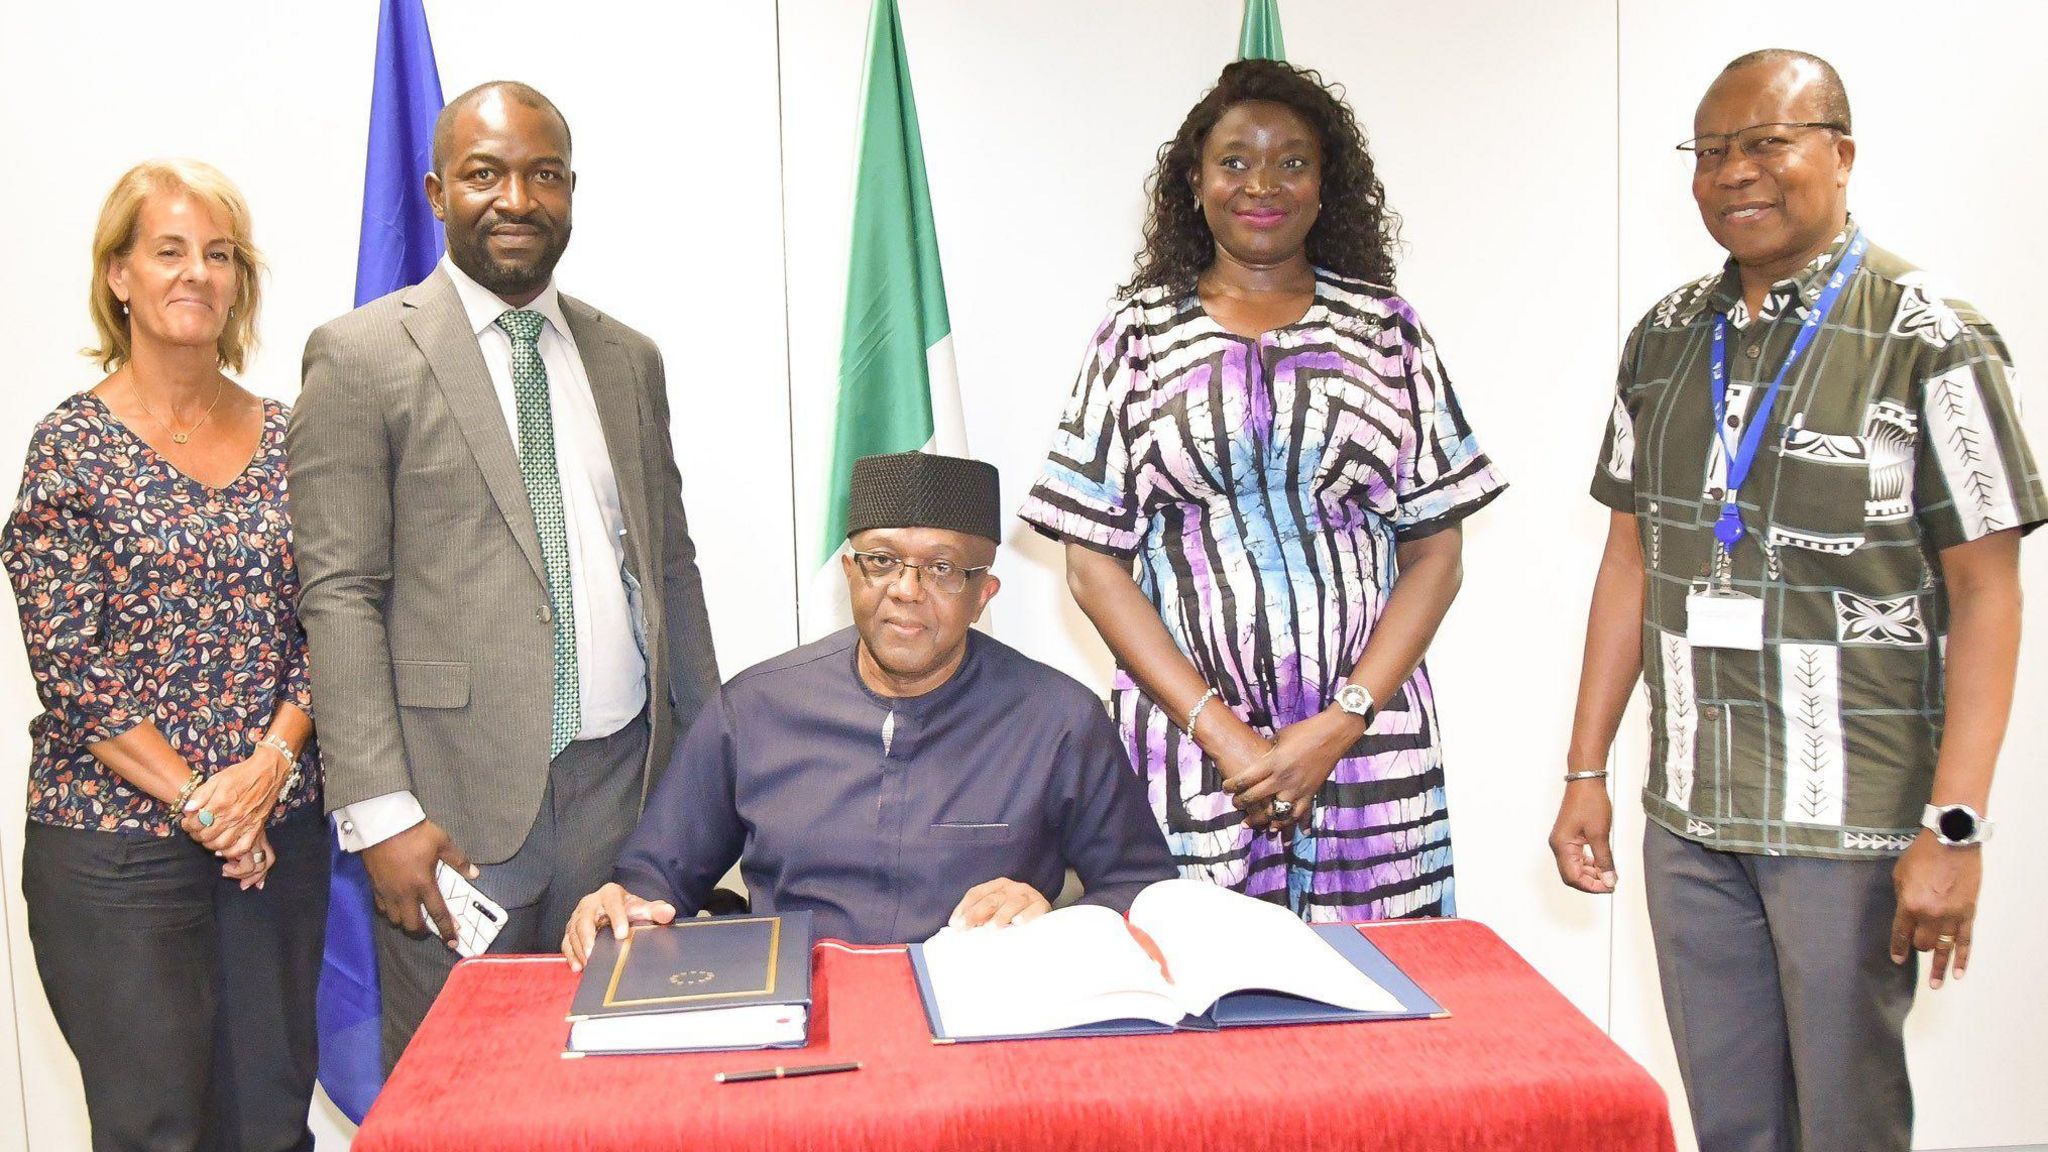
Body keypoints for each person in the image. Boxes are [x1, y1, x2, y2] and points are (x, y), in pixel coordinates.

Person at [1548, 49, 2043, 1152]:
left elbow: (1987, 596)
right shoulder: (1663, 341)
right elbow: (1628, 560)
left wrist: (1952, 826)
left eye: (1765, 144)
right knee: (1729, 1125)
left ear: (1839, 153)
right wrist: (1585, 769)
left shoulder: (1931, 341)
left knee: (1845, 1127)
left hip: (1849, 825)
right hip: (1688, 814)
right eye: (1711, 152)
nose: (1735, 174)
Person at [289, 80, 719, 1067]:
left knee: (622, 1093)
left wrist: (707, 770)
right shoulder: (359, 359)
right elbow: (338, 594)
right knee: (458, 1095)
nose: (515, 198)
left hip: (626, 797)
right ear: (439, 191)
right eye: (485, 174)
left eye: (543, 174)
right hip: (450, 816)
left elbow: (672, 566)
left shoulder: (628, 359)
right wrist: (381, 813)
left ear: (570, 191)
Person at [1019, 59, 1505, 922]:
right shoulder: (1135, 338)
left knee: (1377, 1005)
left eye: (1292, 162)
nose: (1261, 184)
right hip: (1188, 750)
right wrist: (1221, 731)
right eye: (1235, 161)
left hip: (1366, 749)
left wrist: (1340, 721)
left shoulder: (1388, 332)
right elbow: (1093, 564)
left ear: (1328, 187)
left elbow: (1437, 552)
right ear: (1194, 184)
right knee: (1195, 1002)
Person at [3, 159, 325, 1151]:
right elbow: (71, 668)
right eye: (169, 250)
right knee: (157, 1133)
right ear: (119, 276)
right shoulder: (70, 447)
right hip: (112, 852)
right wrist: (205, 805)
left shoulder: (295, 436)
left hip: (278, 837)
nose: (196, 273)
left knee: (271, 1126)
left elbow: (337, 617)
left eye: (218, 254)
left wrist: (266, 771)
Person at [561, 452, 1174, 962]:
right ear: (850, 572)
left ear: (982, 595)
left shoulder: (1059, 720)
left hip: (984, 1027)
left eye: (941, 568)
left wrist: (1051, 917)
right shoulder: (753, 712)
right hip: (801, 1022)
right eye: (881, 561)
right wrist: (618, 904)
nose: (906, 590)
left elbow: (1142, 891)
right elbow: (653, 884)